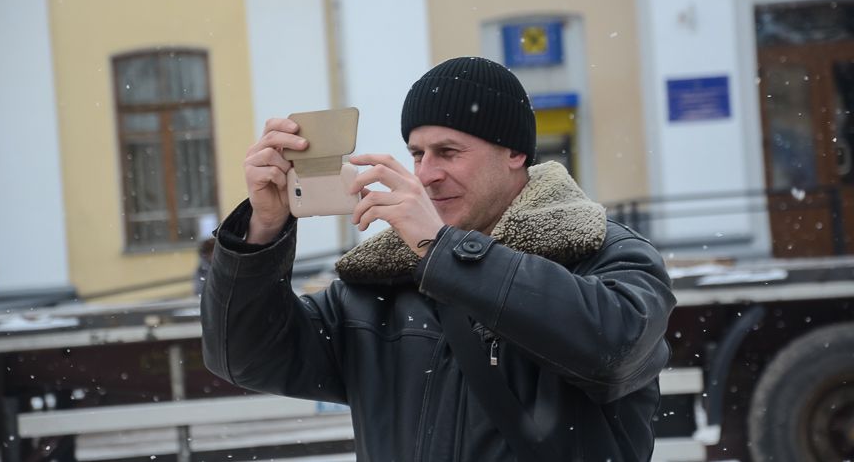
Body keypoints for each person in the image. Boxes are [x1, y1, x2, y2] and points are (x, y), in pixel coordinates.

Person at [200, 56, 676, 461]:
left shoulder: (604, 251)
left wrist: (444, 251)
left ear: (514, 153)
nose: (426, 174)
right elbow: (244, 359)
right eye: (417, 153)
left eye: (448, 152)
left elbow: (614, 351)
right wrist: (262, 230)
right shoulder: (378, 285)